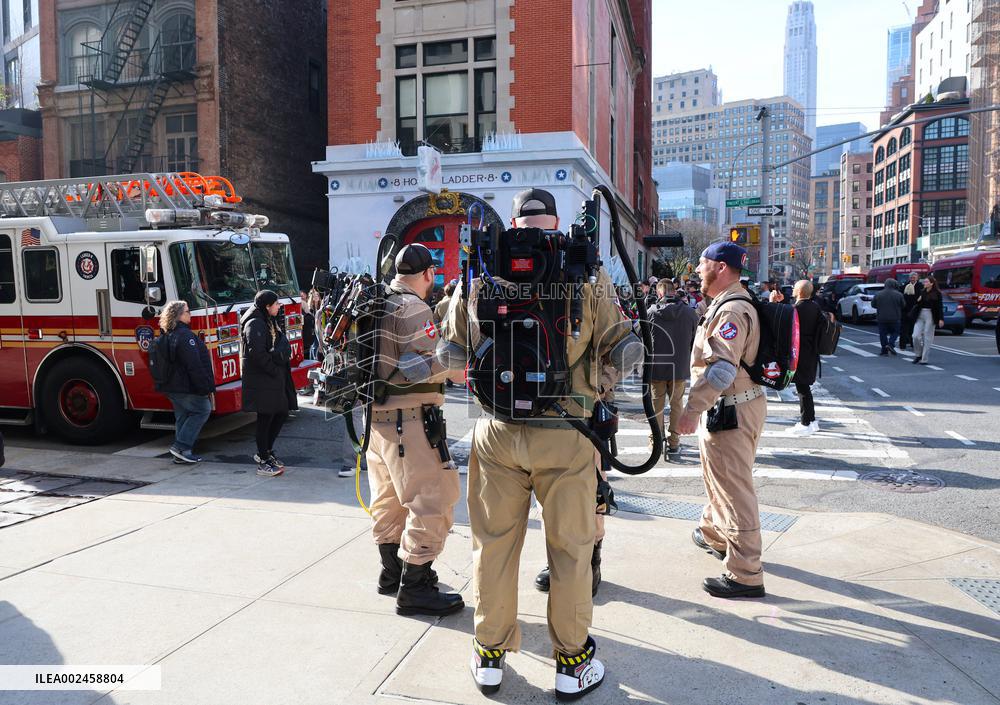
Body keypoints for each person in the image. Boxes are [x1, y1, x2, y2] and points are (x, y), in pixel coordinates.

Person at [439, 188, 640, 699]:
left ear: (512, 222)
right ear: (555, 221)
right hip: (567, 435)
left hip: (497, 433)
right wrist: (599, 382)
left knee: (494, 547)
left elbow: (447, 352)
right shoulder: (584, 272)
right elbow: (625, 348)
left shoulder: (483, 270)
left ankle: (489, 655)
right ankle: (571, 664)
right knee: (571, 551)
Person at [366, 243, 463, 617]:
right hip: (410, 420)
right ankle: (416, 588)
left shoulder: (380, 300)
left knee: (388, 500)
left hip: (376, 421)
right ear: (428, 274)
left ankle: (392, 573)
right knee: (432, 499)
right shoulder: (414, 307)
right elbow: (436, 364)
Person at [676, 241, 767, 599]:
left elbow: (721, 371)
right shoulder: (728, 302)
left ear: (722, 268)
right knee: (720, 478)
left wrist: (691, 410)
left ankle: (746, 573)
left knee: (734, 490)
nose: (697, 270)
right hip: (734, 407)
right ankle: (715, 533)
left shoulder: (731, 311)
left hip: (729, 409)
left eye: (703, 263)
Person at [241, 290, 298, 476]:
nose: (279, 306)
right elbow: (256, 354)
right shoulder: (255, 323)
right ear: (267, 306)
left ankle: (265, 451)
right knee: (265, 418)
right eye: (276, 303)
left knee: (281, 412)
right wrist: (274, 371)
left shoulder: (268, 319)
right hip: (262, 379)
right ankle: (263, 461)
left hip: (272, 378)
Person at [156, 300, 214, 464]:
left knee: (182, 415)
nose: (190, 314)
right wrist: (205, 387)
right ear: (179, 315)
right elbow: (193, 365)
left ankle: (182, 454)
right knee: (202, 410)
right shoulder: (185, 336)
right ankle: (181, 446)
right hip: (185, 386)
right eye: (188, 311)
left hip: (171, 386)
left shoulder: (168, 334)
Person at [648, 279, 699, 457]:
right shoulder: (689, 313)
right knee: (677, 404)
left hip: (656, 367)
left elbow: (641, 335)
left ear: (660, 293)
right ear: (674, 291)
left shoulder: (651, 312)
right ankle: (674, 442)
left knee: (656, 405)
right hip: (679, 366)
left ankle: (656, 439)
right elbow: (696, 339)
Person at [789, 281, 823, 436]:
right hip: (811, 351)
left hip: (799, 351)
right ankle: (811, 420)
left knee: (802, 388)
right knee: (804, 387)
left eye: (795, 288)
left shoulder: (796, 309)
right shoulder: (815, 307)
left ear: (799, 292)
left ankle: (806, 422)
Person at [911, 275, 945, 365]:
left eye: (926, 282)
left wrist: (941, 319)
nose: (924, 283)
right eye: (924, 281)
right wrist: (918, 300)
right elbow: (916, 304)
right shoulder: (922, 291)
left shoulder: (937, 293)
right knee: (915, 336)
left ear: (931, 283)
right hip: (920, 314)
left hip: (931, 315)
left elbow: (939, 307)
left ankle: (924, 359)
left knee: (927, 337)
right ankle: (918, 354)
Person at [872, 279, 905, 356]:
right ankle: (890, 344)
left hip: (882, 317)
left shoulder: (878, 294)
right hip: (895, 317)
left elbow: (873, 305)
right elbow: (903, 305)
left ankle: (884, 349)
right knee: (895, 332)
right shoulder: (899, 294)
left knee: (883, 334)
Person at [900, 272, 923, 350]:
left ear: (917, 278)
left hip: (915, 309)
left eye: (914, 277)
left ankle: (913, 344)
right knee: (904, 328)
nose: (912, 279)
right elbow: (901, 296)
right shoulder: (904, 286)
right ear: (909, 278)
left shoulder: (920, 286)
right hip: (905, 309)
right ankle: (902, 345)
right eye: (911, 277)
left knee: (914, 328)